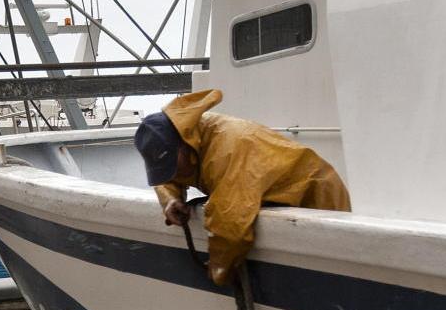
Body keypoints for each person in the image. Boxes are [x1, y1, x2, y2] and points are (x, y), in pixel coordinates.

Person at [134, 89, 350, 285]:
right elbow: (169, 176)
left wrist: (218, 272)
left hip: (317, 199)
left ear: (183, 145)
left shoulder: (228, 147)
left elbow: (230, 223)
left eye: (172, 163)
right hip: (273, 196)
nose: (172, 172)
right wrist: (171, 200)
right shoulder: (189, 141)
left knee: (335, 279)